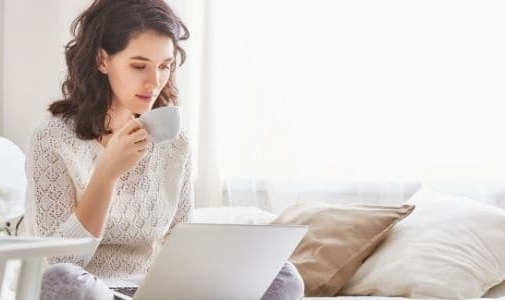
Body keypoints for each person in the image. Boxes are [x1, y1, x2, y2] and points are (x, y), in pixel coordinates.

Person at [24, 0, 304, 299]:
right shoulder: (52, 137)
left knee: (283, 275)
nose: (154, 82)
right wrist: (106, 174)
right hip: (95, 290)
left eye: (164, 66)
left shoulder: (174, 141)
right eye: (139, 66)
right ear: (102, 60)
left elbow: (179, 242)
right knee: (62, 281)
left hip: (157, 291)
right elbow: (60, 261)